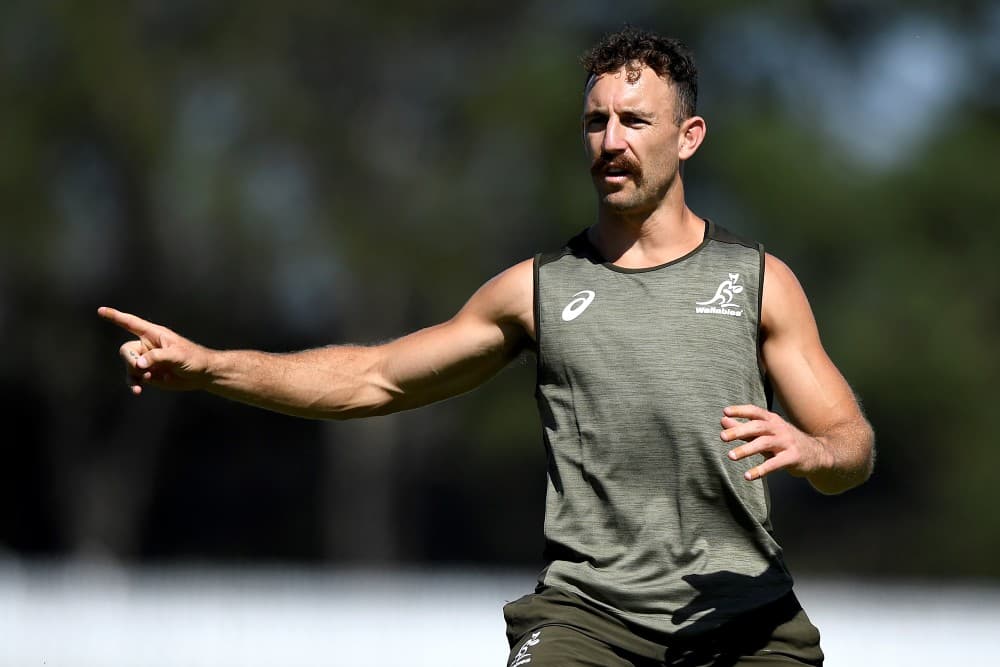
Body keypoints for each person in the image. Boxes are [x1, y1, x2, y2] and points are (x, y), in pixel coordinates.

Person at [99, 27, 873, 667]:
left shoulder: (758, 282)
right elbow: (375, 379)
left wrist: (814, 450)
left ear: (688, 136)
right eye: (596, 122)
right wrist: (210, 368)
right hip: (590, 620)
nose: (611, 141)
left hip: (746, 621)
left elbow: (852, 445)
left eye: (635, 122)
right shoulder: (534, 291)